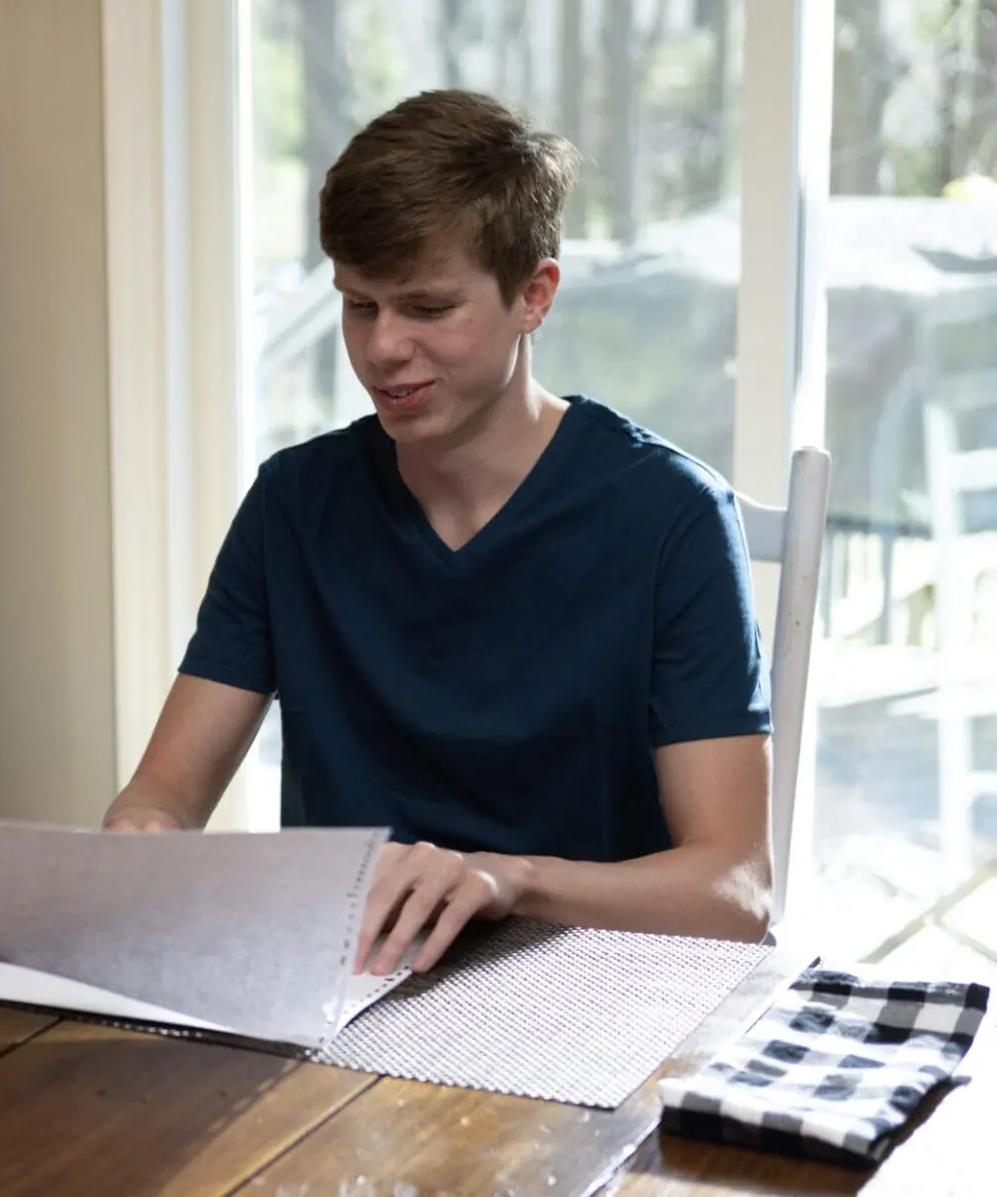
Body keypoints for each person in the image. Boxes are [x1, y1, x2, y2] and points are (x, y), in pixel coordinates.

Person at [104, 90, 773, 977]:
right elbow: (162, 798)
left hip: (589, 991)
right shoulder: (293, 504)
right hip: (346, 993)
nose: (382, 349)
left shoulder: (671, 517)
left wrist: (507, 882)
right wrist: (139, 838)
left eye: (426, 308)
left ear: (534, 295)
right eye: (358, 305)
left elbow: (734, 892)